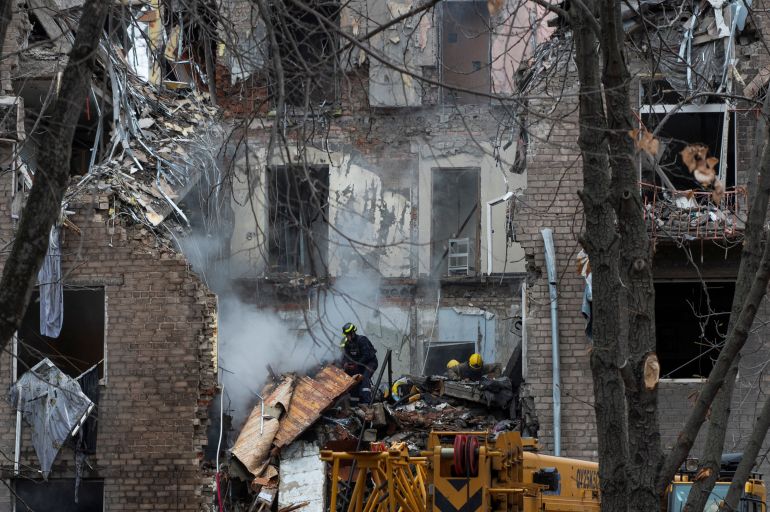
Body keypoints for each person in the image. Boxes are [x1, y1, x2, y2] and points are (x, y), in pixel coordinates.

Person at [340, 322, 378, 403]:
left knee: (364, 378)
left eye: (348, 335)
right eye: (346, 335)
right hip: (358, 364)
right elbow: (345, 356)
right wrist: (345, 364)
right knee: (353, 379)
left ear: (353, 333)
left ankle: (367, 403)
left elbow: (367, 355)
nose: (347, 337)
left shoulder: (362, 340)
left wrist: (356, 364)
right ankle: (355, 402)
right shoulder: (347, 343)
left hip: (370, 363)